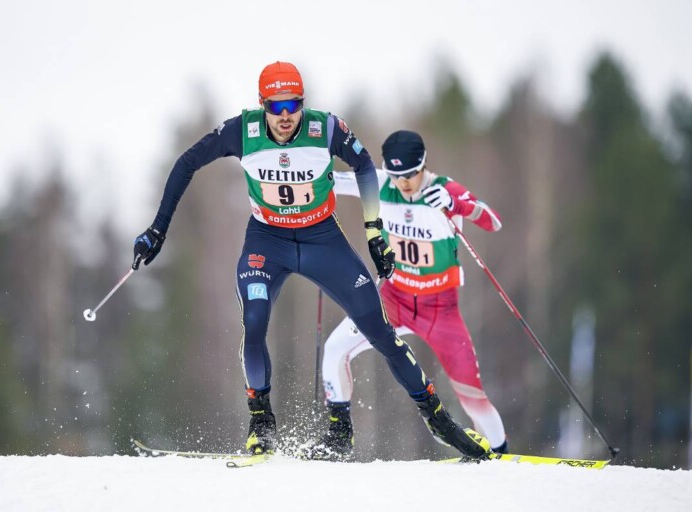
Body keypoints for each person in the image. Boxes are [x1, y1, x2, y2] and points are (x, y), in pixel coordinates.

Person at [132, 62, 490, 460]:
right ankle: (261, 423)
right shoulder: (242, 131)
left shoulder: (326, 129)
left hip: (323, 241)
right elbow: (186, 163)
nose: (286, 117)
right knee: (254, 321)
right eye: (276, 106)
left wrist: (374, 233)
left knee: (378, 330)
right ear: (262, 104)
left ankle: (439, 420)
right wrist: (158, 229)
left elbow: (364, 165)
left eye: (294, 105)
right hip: (267, 242)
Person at [306, 130, 508, 460]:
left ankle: (502, 452)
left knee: (471, 393)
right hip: (393, 302)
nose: (404, 183)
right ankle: (339, 436)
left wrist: (457, 204)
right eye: (397, 175)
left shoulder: (443, 189)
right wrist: (314, 166)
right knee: (334, 348)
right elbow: (326, 179)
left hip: (439, 308)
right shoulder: (381, 183)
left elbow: (492, 221)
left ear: (423, 165)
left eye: (411, 175)